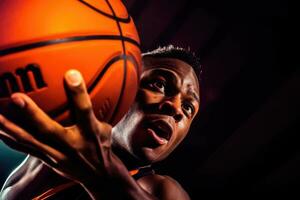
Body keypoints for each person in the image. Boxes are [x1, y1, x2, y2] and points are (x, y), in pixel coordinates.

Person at [0, 45, 201, 200]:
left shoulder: (162, 190)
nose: (175, 109)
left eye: (188, 107)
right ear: (119, 85)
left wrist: (98, 172)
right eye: (159, 84)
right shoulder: (39, 157)